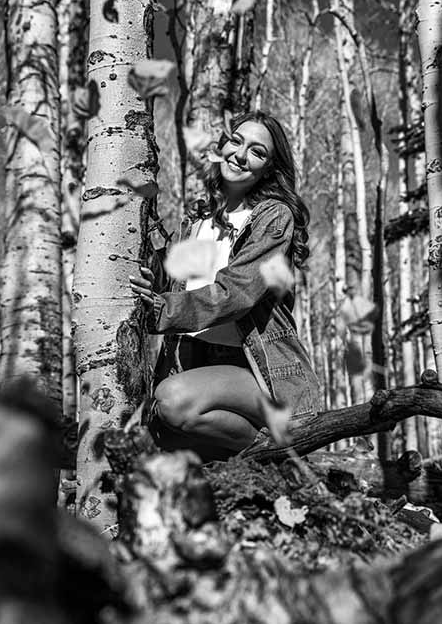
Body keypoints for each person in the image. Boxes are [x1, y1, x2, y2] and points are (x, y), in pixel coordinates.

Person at [129, 111, 320, 460]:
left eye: (257, 152)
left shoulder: (273, 217)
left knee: (172, 401)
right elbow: (175, 279)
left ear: (269, 168)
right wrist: (146, 279)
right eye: (236, 141)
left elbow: (237, 293)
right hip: (193, 362)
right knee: (156, 440)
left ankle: (281, 453)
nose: (241, 155)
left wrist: (161, 310)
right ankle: (251, 463)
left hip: (256, 369)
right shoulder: (198, 219)